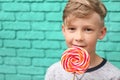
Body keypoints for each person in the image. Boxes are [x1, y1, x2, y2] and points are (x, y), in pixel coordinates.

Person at [45, 0, 120, 80]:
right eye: (72, 28)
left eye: (88, 29)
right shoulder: (54, 72)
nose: (79, 37)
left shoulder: (114, 76)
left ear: (101, 33)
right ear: (64, 30)